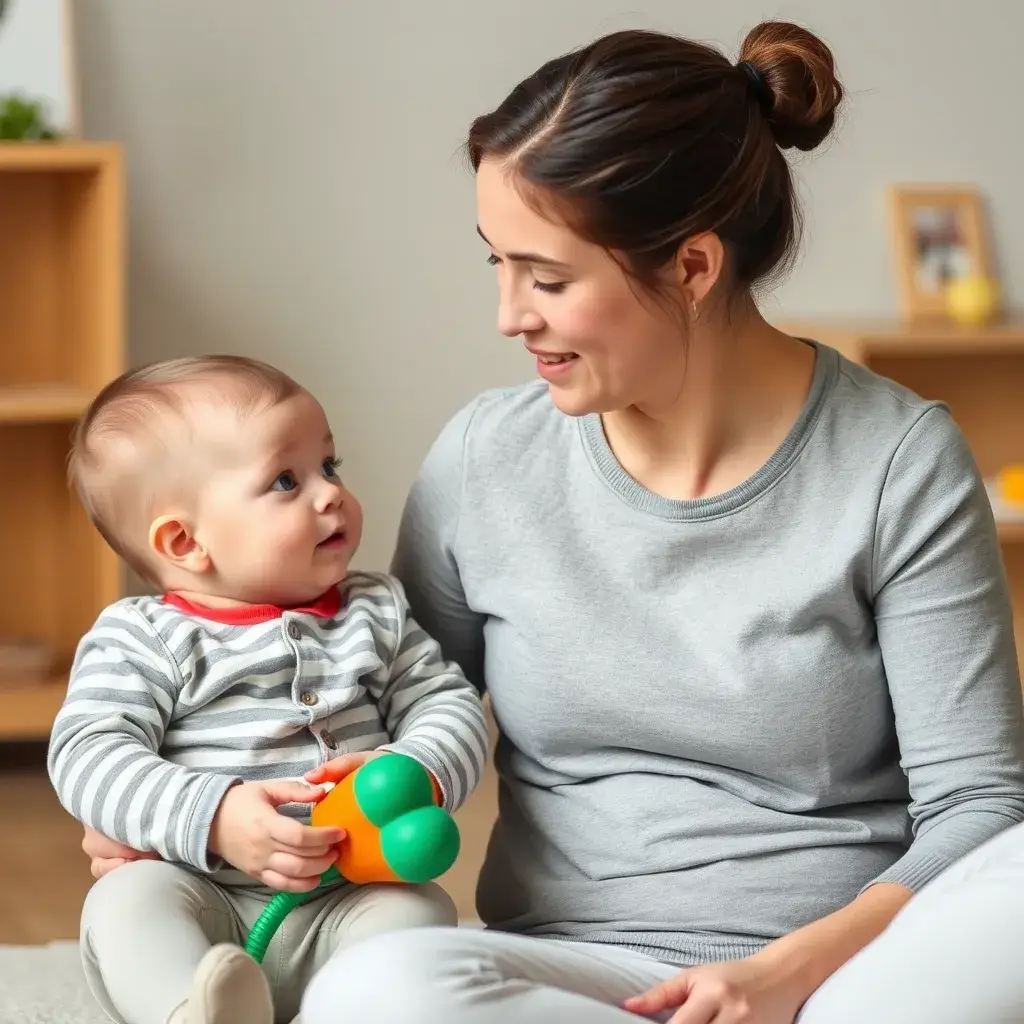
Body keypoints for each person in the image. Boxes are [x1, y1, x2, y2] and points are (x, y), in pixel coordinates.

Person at [84, 20, 1024, 1024]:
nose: (508, 314)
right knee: (380, 988)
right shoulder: (487, 458)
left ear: (694, 266)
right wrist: (195, 815)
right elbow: (378, 709)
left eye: (547, 277)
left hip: (848, 979)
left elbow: (978, 804)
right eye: (495, 262)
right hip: (576, 978)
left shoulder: (895, 461)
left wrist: (786, 973)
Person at [49, 355, 488, 1024]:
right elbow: (86, 753)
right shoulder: (141, 638)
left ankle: (352, 1008)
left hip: (348, 893)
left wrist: (417, 769)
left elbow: (447, 702)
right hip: (205, 897)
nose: (330, 493)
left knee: (418, 907)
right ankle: (190, 1008)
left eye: (329, 466)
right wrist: (215, 816)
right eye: (287, 480)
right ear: (186, 541)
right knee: (127, 902)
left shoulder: (374, 610)